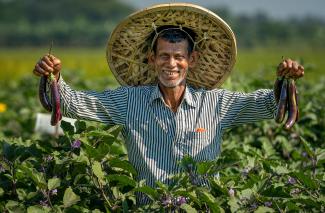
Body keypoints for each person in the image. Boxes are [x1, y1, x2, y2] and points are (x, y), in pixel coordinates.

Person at [33, 3, 304, 204]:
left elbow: (269, 105)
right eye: (163, 56)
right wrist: (53, 76)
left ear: (192, 60)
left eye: (178, 57)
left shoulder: (216, 103)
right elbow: (71, 103)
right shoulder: (129, 101)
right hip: (149, 208)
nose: (171, 64)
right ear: (152, 60)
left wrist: (284, 80)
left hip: (201, 208)